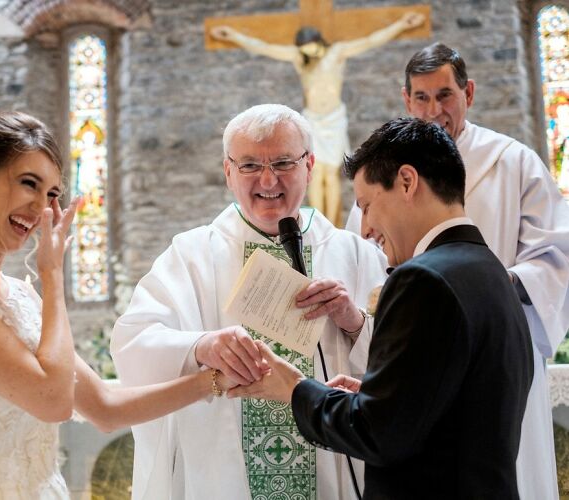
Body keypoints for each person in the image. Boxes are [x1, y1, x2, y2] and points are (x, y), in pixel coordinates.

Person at [0, 111, 236, 499]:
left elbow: (105, 407)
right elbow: (53, 401)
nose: (40, 208)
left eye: (52, 195)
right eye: (29, 183)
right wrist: (52, 274)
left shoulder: (23, 296)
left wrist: (214, 380)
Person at [233, 118, 535, 499]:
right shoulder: (489, 269)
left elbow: (379, 435)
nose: (365, 228)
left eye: (367, 206)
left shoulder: (423, 280)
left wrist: (294, 389)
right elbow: (454, 405)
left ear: (407, 182)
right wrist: (383, 395)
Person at [111, 104, 388, 500]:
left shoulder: (355, 254)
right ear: (227, 172)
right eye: (249, 166)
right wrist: (200, 346)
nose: (268, 179)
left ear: (310, 165)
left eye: (283, 162)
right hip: (225, 477)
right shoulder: (191, 256)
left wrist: (354, 323)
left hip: (334, 467)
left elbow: (405, 367)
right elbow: (132, 343)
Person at [345, 42, 569, 500]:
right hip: (416, 365)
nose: (434, 110)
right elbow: (368, 262)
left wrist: (500, 284)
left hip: (493, 355)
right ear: (406, 100)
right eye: (422, 97)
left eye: (445, 95)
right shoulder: (385, 175)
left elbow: (557, 254)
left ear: (468, 92)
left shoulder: (513, 161)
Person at [210, 12, 425, 226]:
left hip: (333, 119)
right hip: (312, 120)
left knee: (330, 175)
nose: (310, 53)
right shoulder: (301, 60)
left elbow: (369, 41)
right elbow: (265, 48)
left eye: (311, 48)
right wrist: (233, 36)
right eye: (305, 51)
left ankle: (331, 224)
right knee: (313, 173)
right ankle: (316, 222)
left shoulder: (336, 53)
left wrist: (401, 24)